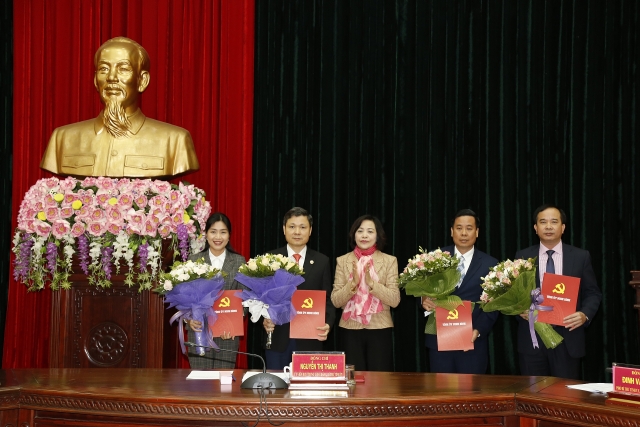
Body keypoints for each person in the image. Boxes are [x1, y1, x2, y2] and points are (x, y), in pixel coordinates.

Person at [40, 36, 199, 178]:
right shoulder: (62, 138)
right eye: (104, 69)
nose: (111, 77)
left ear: (142, 81)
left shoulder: (174, 140)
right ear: (96, 80)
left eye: (123, 69)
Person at [515, 204, 602, 379]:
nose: (548, 226)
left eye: (554, 222)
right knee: (532, 398)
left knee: (566, 398)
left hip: (568, 336)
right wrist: (520, 310)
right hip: (533, 338)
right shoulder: (523, 257)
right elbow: (515, 295)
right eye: (543, 222)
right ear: (535, 228)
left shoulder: (580, 256)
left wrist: (584, 314)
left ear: (563, 227)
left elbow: (593, 293)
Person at [421, 209, 499, 374]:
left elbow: (493, 305)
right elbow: (422, 288)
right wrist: (423, 299)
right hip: (439, 341)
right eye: (459, 228)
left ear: (477, 232)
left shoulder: (490, 263)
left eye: (469, 228)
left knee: (472, 396)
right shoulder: (435, 259)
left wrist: (478, 331)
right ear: (451, 231)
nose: (464, 233)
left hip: (472, 343)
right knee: (441, 395)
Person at [262, 207, 336, 369]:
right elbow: (261, 298)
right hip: (278, 338)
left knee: (307, 390)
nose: (297, 232)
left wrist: (328, 325)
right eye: (292, 226)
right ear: (284, 229)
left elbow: (328, 299)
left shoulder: (322, 261)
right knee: (277, 390)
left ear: (310, 231)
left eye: (302, 227)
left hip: (310, 338)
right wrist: (264, 318)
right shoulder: (270, 259)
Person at [331, 215, 400, 371]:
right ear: (354, 234)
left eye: (370, 231)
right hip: (350, 329)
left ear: (377, 236)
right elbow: (336, 301)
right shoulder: (342, 261)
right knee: (353, 379)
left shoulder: (390, 261)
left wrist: (372, 284)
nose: (364, 235)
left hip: (380, 328)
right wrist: (352, 284)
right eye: (360, 231)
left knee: (380, 380)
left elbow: (395, 300)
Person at [186, 212, 246, 369]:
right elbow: (184, 297)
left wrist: (235, 324)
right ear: (206, 234)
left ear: (229, 235)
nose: (218, 237)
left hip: (227, 335)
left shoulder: (239, 261)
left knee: (223, 385)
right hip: (198, 331)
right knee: (200, 386)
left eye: (223, 232)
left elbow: (245, 299)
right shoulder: (194, 260)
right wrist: (188, 319)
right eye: (213, 231)